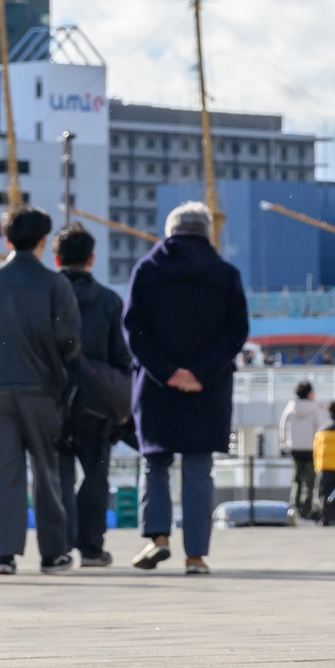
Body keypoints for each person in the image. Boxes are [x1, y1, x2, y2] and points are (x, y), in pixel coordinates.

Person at [123, 201, 248, 575]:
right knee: (198, 468)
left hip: (156, 386)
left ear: (169, 230)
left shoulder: (147, 269)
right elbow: (236, 332)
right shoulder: (225, 274)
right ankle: (195, 557)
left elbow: (133, 329)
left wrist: (166, 371)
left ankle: (158, 539)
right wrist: (200, 373)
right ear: (206, 231)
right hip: (206, 389)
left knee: (155, 463)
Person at [0, 209, 79, 575]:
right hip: (42, 393)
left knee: (2, 473)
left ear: (6, 241)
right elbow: (70, 341)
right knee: (48, 473)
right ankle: (53, 552)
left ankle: (5, 555)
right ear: (43, 242)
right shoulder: (56, 285)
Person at [52, 225, 133, 568]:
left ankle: (59, 543)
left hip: (53, 394)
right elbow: (121, 357)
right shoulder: (110, 301)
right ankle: (91, 547)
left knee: (59, 473)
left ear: (56, 258)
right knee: (96, 473)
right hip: (96, 399)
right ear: (92, 259)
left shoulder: (48, 295)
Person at [282, 381, 323, 521]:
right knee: (309, 482)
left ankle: (293, 509)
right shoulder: (314, 409)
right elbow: (319, 430)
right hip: (310, 449)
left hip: (294, 449)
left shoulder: (289, 408)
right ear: (309, 393)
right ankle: (306, 511)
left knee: (296, 480)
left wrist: (285, 444)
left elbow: (283, 428)